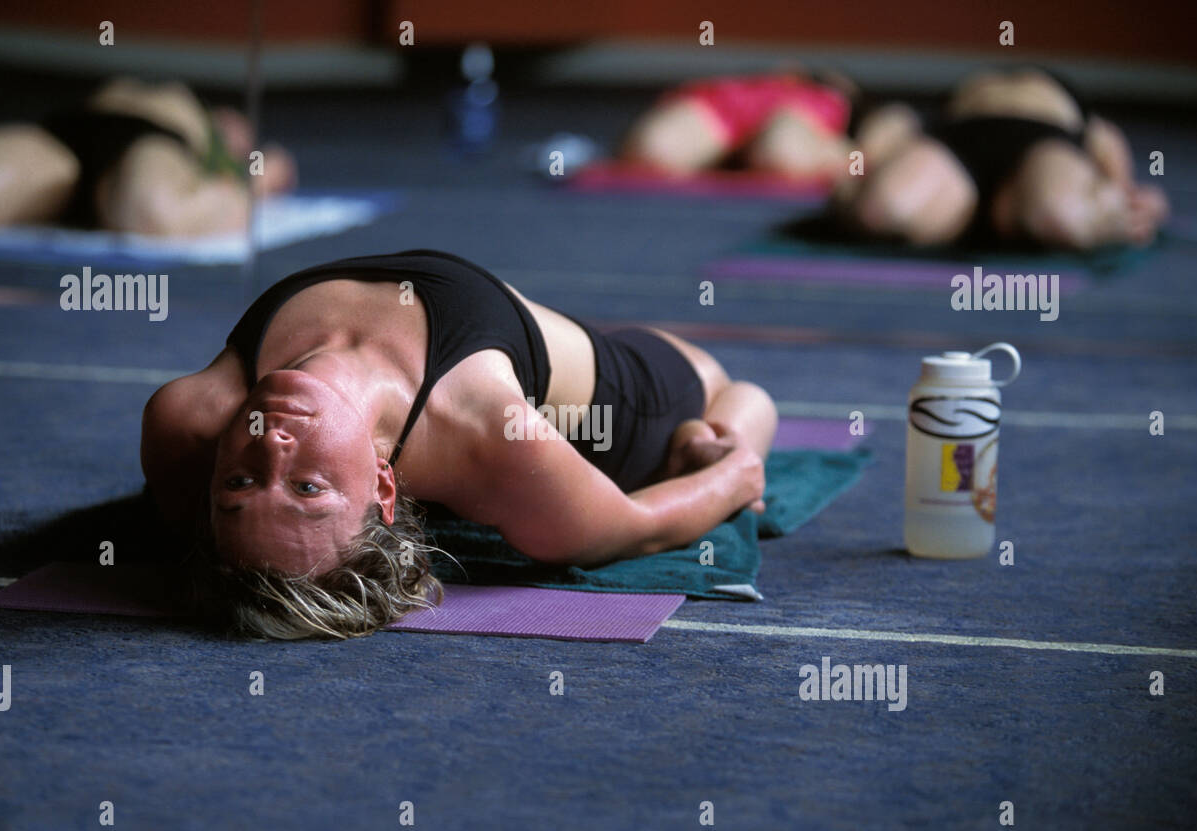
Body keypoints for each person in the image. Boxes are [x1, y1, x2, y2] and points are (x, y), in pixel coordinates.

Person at [140, 250, 777, 639]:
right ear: (384, 481)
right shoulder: (492, 435)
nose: (271, 448)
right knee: (728, 388)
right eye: (307, 487)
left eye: (239, 484)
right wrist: (734, 475)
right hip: (611, 420)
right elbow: (631, 526)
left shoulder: (190, 420)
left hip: (529, 338)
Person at [832, 67, 1168, 248]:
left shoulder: (1064, 100)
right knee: (877, 212)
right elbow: (901, 127)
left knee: (1059, 219)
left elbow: (1104, 136)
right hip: (959, 144)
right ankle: (975, 217)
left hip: (1042, 139)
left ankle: (1038, 215)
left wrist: (1123, 191)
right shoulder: (962, 96)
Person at [0, 76, 296, 234]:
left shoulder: (211, 144)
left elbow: (273, 168)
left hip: (153, 140)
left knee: (149, 212)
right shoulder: (167, 93)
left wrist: (259, 181)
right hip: (66, 137)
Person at [620, 67, 917, 183]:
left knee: (782, 154)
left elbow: (897, 122)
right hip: (733, 103)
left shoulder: (839, 101)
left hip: (808, 113)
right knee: (652, 150)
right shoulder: (777, 79)